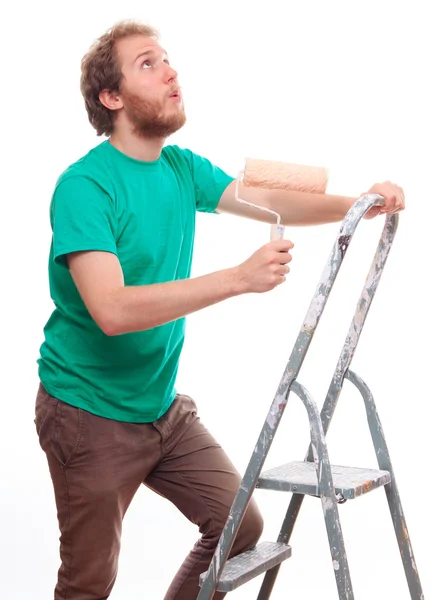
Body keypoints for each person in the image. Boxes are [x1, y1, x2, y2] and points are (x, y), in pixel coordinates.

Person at [34, 19, 405, 600]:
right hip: (89, 414)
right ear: (112, 97)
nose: (171, 72)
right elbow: (111, 310)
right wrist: (237, 279)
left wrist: (362, 203)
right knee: (89, 582)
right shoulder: (85, 186)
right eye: (148, 64)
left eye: (167, 59)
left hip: (160, 410)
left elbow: (266, 198)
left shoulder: (180, 167)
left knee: (238, 527)